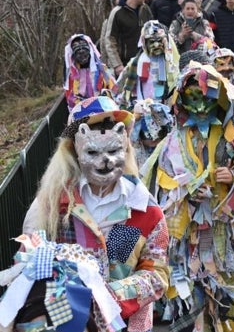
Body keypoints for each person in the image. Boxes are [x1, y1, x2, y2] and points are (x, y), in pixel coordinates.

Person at [142, 63, 234, 332]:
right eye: (193, 99)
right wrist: (184, 190)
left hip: (226, 231)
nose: (201, 107)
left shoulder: (233, 137)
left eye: (206, 99)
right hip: (191, 233)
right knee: (194, 289)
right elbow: (162, 183)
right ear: (182, 102)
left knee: (228, 289)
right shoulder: (174, 141)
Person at [21, 96, 169, 332]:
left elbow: (156, 272)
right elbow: (28, 264)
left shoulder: (142, 209)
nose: (105, 160)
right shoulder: (51, 206)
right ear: (74, 149)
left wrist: (107, 295)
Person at [116, 20, 180, 109]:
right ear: (145, 42)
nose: (156, 44)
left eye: (159, 41)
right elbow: (123, 85)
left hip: (164, 107)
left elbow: (176, 82)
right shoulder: (136, 62)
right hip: (142, 107)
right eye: (152, 41)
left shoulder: (170, 63)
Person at [102, 0, 153, 77]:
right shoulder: (117, 13)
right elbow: (109, 40)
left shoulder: (145, 9)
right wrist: (117, 65)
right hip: (125, 65)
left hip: (145, 62)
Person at [63, 34, 117, 110]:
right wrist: (82, 103)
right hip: (83, 111)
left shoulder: (102, 70)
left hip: (104, 107)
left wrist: (106, 95)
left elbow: (114, 89)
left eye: (84, 52)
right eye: (78, 53)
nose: (82, 56)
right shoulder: (72, 76)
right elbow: (70, 98)